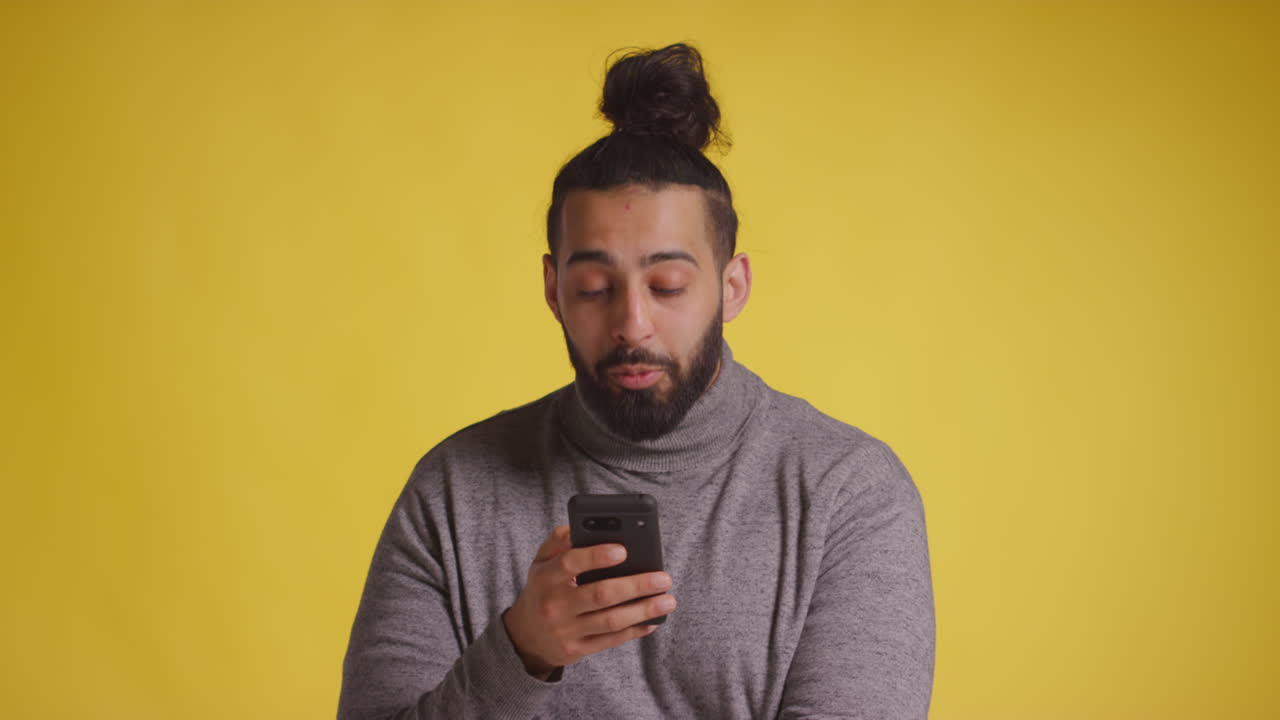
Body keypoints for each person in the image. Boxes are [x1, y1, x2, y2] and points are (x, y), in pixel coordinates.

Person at [337, 42, 935, 720]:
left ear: (731, 288)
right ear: (553, 290)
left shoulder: (847, 494)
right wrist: (521, 653)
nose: (632, 322)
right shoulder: (451, 492)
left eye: (668, 285)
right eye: (594, 287)